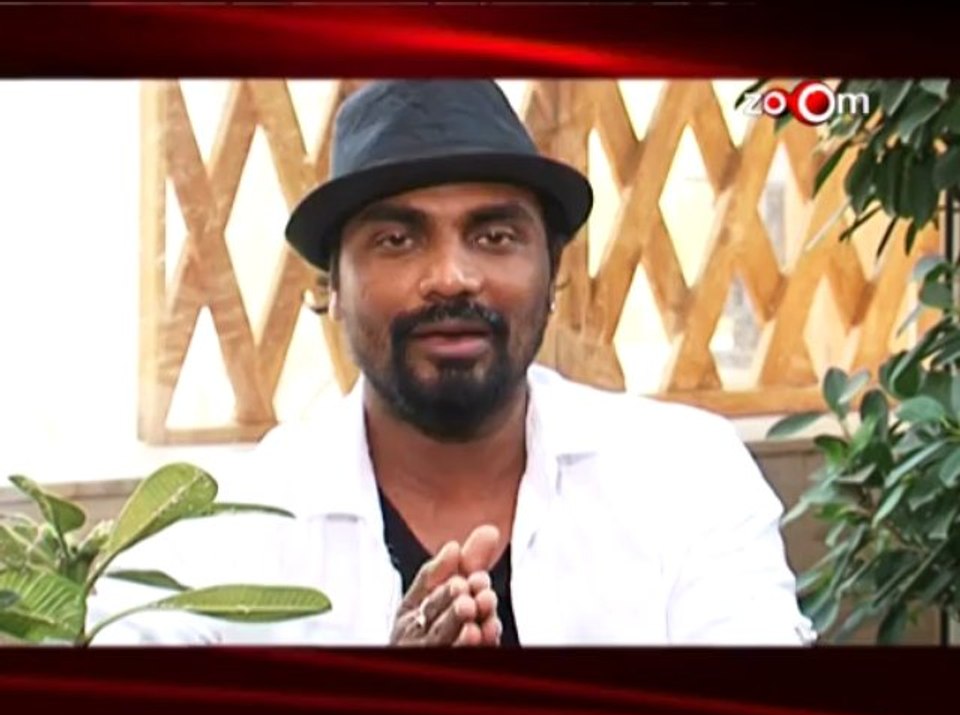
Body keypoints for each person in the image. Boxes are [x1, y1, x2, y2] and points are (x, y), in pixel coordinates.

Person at [87, 80, 814, 646]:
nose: (452, 278)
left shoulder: (686, 478)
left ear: (552, 274)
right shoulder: (211, 532)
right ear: (332, 286)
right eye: (397, 241)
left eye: (494, 236)